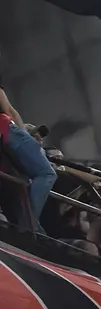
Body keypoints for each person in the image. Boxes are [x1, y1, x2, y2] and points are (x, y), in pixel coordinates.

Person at [0, 71, 56, 231]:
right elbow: (9, 110)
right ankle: (25, 227)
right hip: (6, 129)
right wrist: (26, 136)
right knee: (47, 173)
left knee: (24, 182)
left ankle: (31, 228)